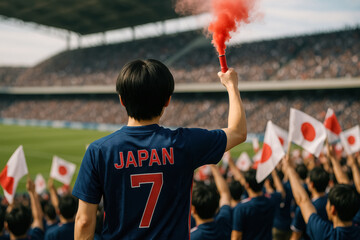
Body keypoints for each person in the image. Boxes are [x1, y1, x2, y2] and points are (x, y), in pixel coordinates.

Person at [72, 59, 247, 239]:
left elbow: (84, 221)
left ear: (122, 100)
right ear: (167, 101)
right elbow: (238, 132)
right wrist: (231, 85)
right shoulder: (184, 142)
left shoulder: (98, 151)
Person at [283, 155, 360, 240]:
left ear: (333, 209)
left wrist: (289, 169)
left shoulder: (325, 233)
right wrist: (334, 157)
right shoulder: (357, 225)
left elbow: (303, 200)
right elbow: (346, 186)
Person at [231, 169, 282, 240]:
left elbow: (236, 237)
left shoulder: (241, 208)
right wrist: (273, 172)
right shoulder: (272, 200)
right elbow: (281, 192)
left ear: (247, 185)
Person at [190, 164, 232, 240]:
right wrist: (213, 166)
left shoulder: (190, 236)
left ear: (193, 210)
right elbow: (225, 193)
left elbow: (224, 194)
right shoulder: (224, 222)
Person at [290, 166, 330, 240]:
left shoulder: (303, 209)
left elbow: (296, 235)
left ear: (311, 185)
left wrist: (289, 170)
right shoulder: (332, 202)